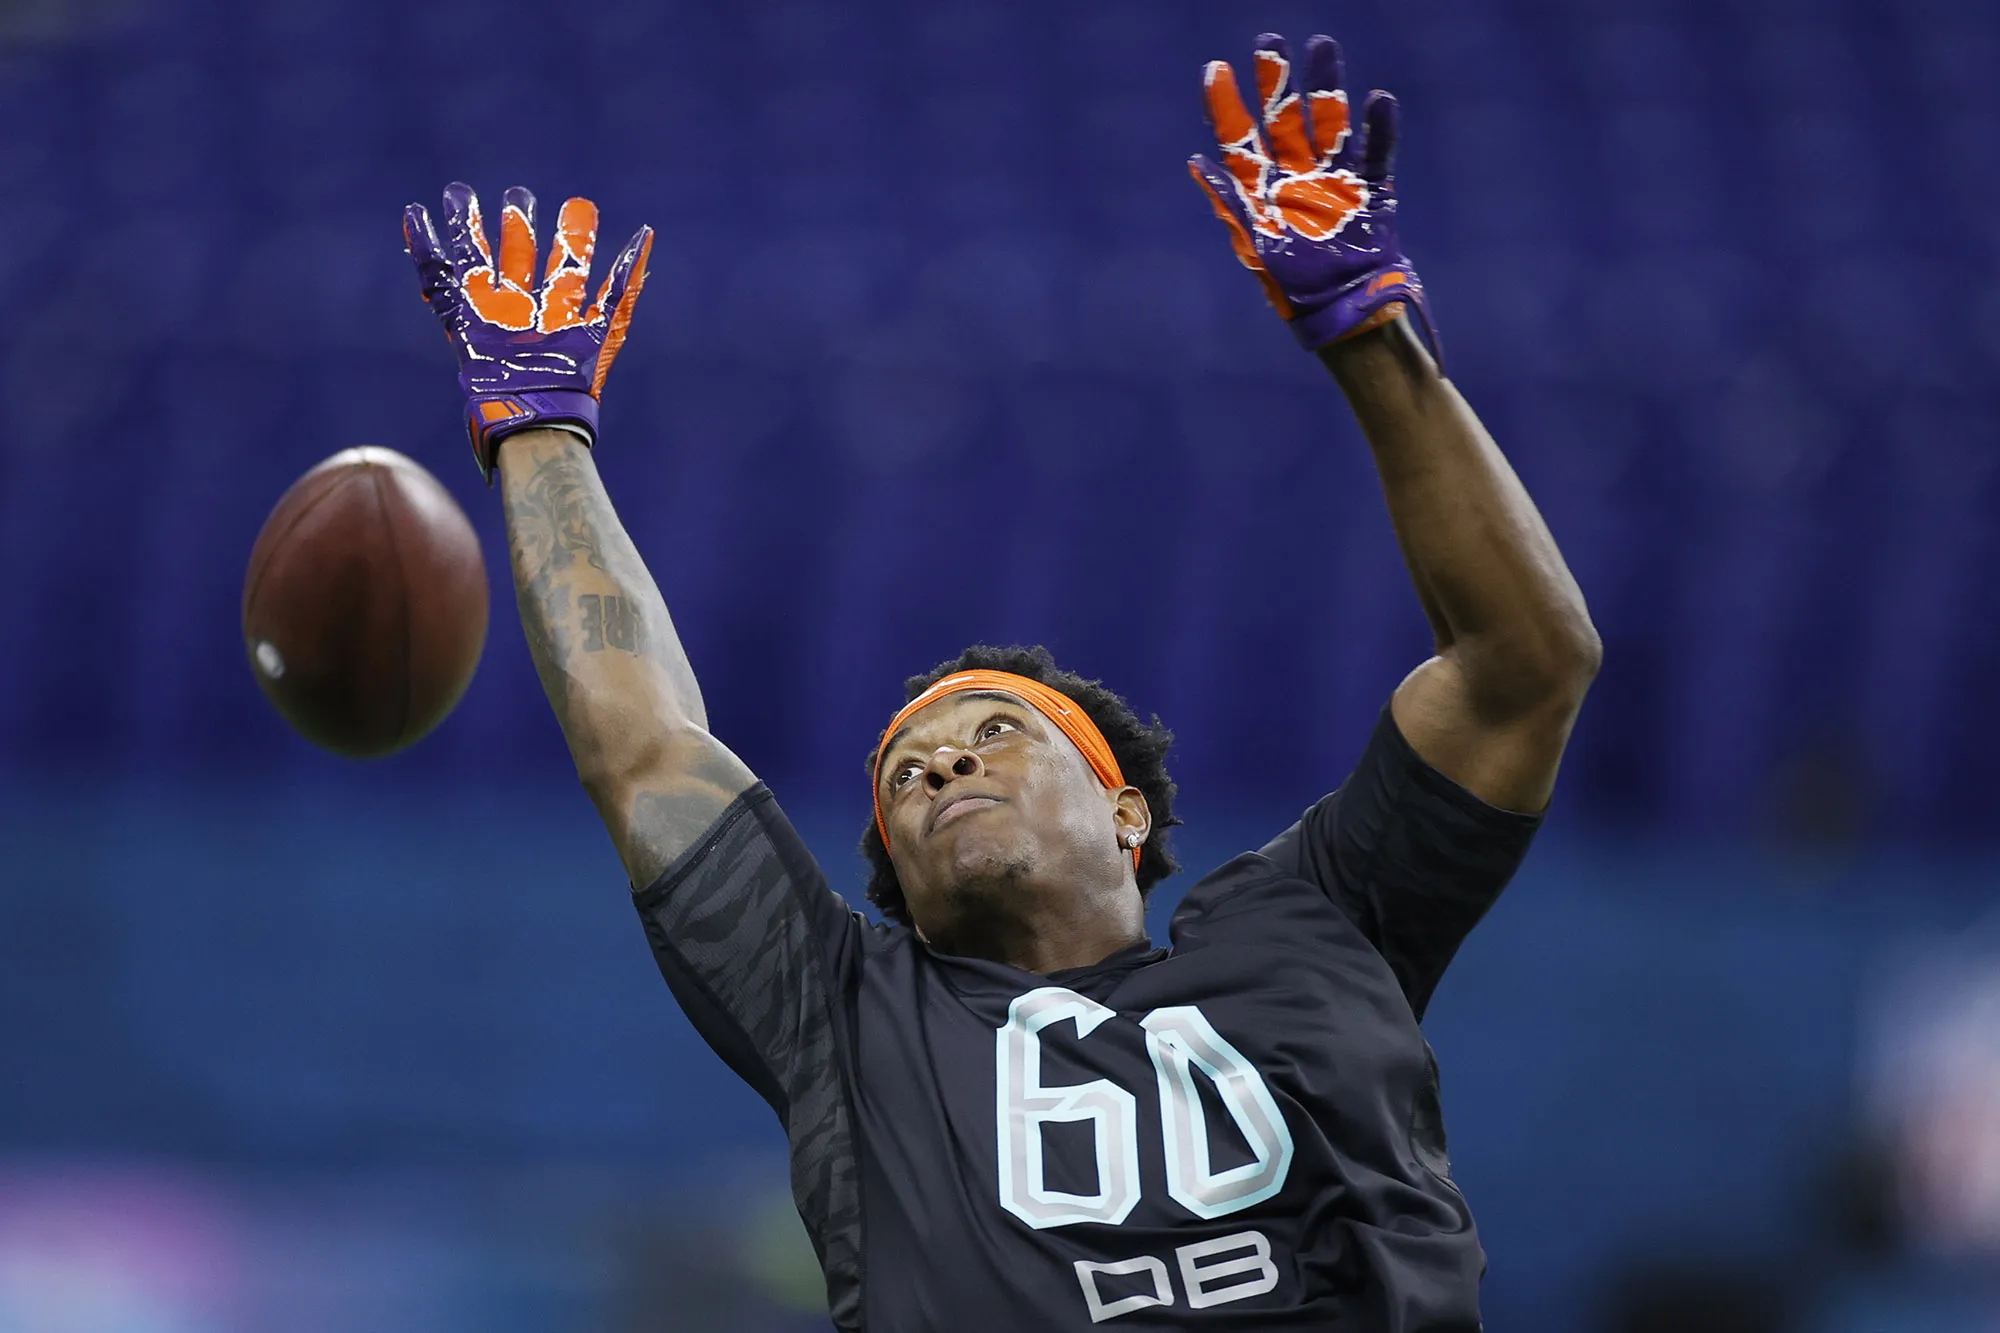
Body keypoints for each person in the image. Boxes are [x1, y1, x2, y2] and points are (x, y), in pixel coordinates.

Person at [403, 28, 1598, 1332]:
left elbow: (1522, 669)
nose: (942, 765)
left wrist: (1369, 331)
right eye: (907, 774)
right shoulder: (855, 1021)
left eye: (997, 736)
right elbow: (646, 750)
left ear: (1128, 813)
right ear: (899, 895)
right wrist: (535, 421)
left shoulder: (1316, 928)